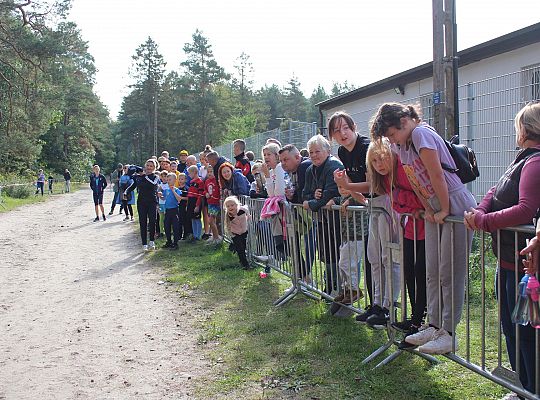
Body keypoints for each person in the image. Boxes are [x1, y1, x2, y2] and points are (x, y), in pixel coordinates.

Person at [371, 102, 476, 355]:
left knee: (450, 272)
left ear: (404, 121)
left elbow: (436, 174)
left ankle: (448, 332)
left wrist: (442, 209)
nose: (391, 140)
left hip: (453, 203)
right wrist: (430, 208)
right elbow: (417, 180)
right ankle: (434, 324)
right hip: (435, 207)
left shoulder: (421, 134)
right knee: (433, 271)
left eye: (392, 134)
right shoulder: (403, 144)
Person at [464, 102, 540, 394]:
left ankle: (532, 388)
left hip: (526, 266)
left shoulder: (535, 162)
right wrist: (478, 211)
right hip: (508, 262)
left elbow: (525, 210)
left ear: (526, 128)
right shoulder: (522, 160)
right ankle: (523, 387)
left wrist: (483, 221)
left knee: (525, 333)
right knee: (512, 329)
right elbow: (495, 192)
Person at [365, 139, 425, 337]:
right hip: (407, 226)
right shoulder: (384, 179)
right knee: (406, 269)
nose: (379, 164)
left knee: (413, 271)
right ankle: (407, 317)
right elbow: (397, 202)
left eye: (382, 158)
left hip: (420, 227)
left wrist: (406, 203)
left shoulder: (402, 172)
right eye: (374, 161)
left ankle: (416, 320)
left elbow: (419, 198)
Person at [329, 111, 375, 321]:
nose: (342, 134)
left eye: (345, 128)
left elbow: (373, 186)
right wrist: (345, 187)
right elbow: (360, 193)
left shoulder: (366, 147)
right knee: (372, 259)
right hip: (372, 206)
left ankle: (384, 307)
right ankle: (375, 306)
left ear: (354, 127)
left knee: (383, 260)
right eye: (337, 130)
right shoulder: (342, 151)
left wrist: (346, 186)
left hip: (387, 203)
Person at [302, 134, 344, 295]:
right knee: (326, 254)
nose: (313, 155)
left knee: (337, 254)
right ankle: (331, 286)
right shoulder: (310, 169)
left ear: (327, 150)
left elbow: (330, 193)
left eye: (317, 151)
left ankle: (339, 289)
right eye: (311, 152)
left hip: (337, 220)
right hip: (322, 221)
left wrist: (312, 203)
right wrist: (314, 196)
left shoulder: (333, 165)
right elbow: (305, 194)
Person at [326, 183, 366, 306]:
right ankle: (347, 288)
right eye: (339, 187)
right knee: (342, 264)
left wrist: (349, 201)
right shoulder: (342, 198)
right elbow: (338, 198)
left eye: (344, 186)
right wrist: (332, 200)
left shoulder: (355, 198)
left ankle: (354, 289)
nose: (342, 189)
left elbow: (360, 200)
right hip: (346, 236)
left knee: (348, 264)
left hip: (357, 236)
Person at [279, 144, 315, 282]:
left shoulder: (303, 167)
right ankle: (304, 276)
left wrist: (294, 196)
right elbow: (298, 196)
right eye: (281, 160)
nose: (283, 163)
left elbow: (304, 195)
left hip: (313, 215)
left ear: (297, 157)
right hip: (305, 214)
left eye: (286, 159)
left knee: (309, 244)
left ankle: (306, 277)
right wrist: (292, 196)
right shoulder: (293, 172)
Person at [125, 159, 160, 251]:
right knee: (142, 222)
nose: (149, 167)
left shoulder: (155, 177)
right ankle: (144, 244)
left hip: (152, 201)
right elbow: (133, 185)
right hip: (141, 202)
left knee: (153, 221)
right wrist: (126, 192)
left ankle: (151, 241)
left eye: (151, 166)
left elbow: (152, 185)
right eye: (147, 165)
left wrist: (144, 176)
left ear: (154, 168)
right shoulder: (139, 177)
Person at [223, 196, 251, 270]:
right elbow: (227, 225)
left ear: (237, 204)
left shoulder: (242, 210)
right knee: (240, 248)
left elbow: (246, 208)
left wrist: (248, 215)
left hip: (244, 231)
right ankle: (245, 264)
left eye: (232, 205)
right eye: (228, 206)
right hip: (235, 233)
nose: (230, 207)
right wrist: (231, 234)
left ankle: (242, 259)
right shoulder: (228, 215)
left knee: (243, 246)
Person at [159, 172, 185, 250]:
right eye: (167, 180)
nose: (168, 181)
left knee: (175, 226)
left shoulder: (177, 190)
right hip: (167, 210)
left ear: (174, 180)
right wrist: (161, 196)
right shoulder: (166, 190)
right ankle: (169, 241)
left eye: (170, 180)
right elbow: (164, 198)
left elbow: (179, 199)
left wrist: (173, 191)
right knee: (166, 226)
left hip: (174, 210)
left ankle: (175, 243)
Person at [204, 165, 222, 245]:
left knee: (213, 221)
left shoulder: (217, 181)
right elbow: (205, 190)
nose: (209, 173)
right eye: (208, 172)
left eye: (211, 172)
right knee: (211, 221)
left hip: (216, 203)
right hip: (210, 203)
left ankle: (218, 237)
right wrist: (206, 193)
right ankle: (215, 237)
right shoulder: (207, 181)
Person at [186, 165, 204, 242]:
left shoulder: (200, 182)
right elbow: (189, 193)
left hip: (196, 201)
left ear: (195, 172)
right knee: (192, 218)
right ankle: (194, 234)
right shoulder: (191, 182)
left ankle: (198, 236)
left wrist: (197, 205)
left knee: (197, 219)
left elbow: (200, 195)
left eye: (190, 173)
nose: (189, 175)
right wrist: (187, 204)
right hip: (190, 201)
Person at [177, 173, 189, 241]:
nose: (180, 180)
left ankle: (185, 235)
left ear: (185, 180)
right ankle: (179, 235)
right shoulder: (178, 188)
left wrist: (181, 198)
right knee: (179, 221)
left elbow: (188, 198)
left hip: (184, 206)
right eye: (179, 179)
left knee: (184, 221)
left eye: (182, 179)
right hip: (179, 206)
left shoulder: (186, 188)